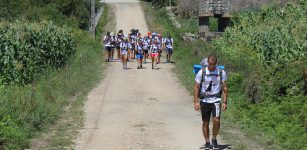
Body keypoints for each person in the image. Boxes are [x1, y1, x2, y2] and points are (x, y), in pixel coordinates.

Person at [194, 53, 228, 149]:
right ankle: (207, 142)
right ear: (207, 62)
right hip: (204, 100)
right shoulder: (202, 72)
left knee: (216, 120)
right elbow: (196, 87)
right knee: (205, 122)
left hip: (216, 100)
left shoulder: (221, 72)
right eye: (210, 64)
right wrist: (196, 102)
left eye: (214, 64)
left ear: (216, 63)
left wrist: (225, 102)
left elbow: (225, 87)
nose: (212, 66)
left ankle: (214, 138)